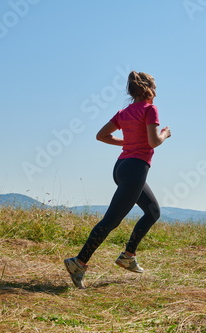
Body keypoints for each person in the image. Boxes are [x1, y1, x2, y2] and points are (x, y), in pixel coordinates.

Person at [64, 71, 171, 289]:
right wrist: (165, 134)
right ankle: (79, 262)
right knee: (111, 221)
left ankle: (128, 256)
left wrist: (128, 142)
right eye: (155, 87)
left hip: (121, 167)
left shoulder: (124, 112)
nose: (157, 92)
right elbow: (153, 142)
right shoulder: (150, 109)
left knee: (152, 212)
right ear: (149, 89)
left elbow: (101, 135)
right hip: (136, 168)